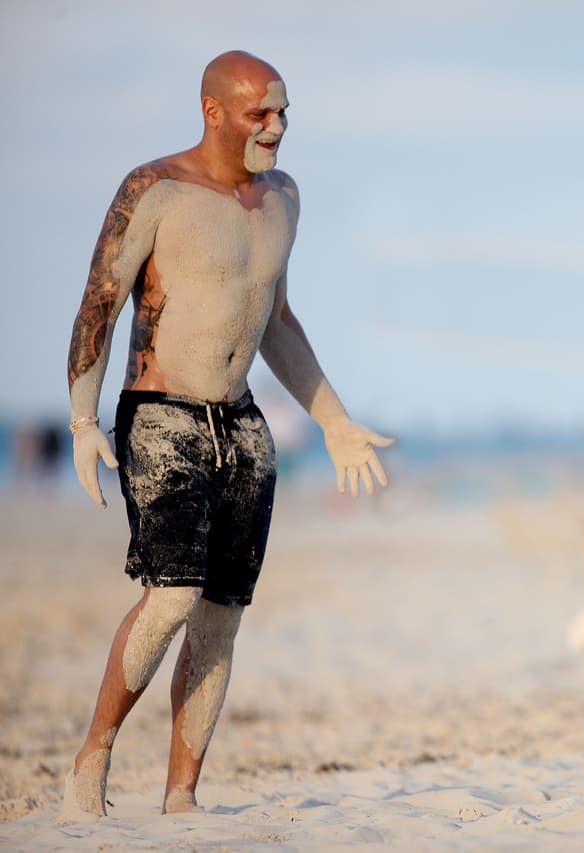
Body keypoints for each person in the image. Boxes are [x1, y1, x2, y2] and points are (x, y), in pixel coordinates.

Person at [60, 50, 393, 820]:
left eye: (283, 113)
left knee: (221, 615)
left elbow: (275, 320)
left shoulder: (284, 198)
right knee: (172, 592)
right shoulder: (156, 188)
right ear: (214, 111)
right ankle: (93, 755)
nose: (276, 129)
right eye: (260, 114)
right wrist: (82, 420)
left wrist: (333, 419)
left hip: (242, 426)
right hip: (161, 415)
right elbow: (97, 306)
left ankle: (182, 798)